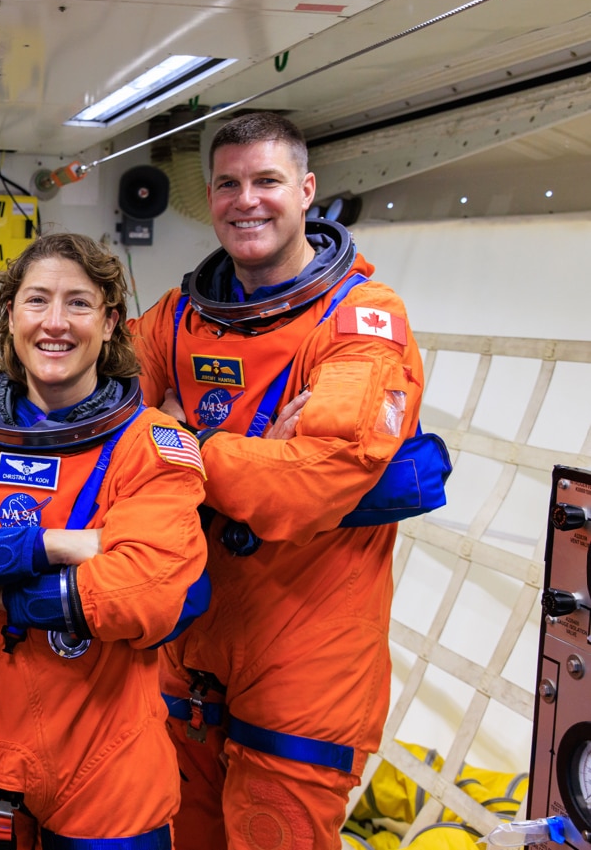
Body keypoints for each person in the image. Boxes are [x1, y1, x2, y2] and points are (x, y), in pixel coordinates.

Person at [130, 112, 428, 849]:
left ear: (305, 190)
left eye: (266, 181)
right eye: (228, 184)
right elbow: (99, 437)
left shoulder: (362, 320)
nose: (246, 200)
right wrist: (254, 451)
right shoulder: (175, 319)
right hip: (189, 649)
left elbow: (310, 483)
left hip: (307, 658)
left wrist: (182, 439)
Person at [0, 232, 209, 848]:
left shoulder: (154, 444)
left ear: (111, 322)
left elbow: (146, 591)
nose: (55, 323)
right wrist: (59, 547)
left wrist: (0, 596)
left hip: (106, 764)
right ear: (9, 316)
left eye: (79, 304)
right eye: (36, 301)